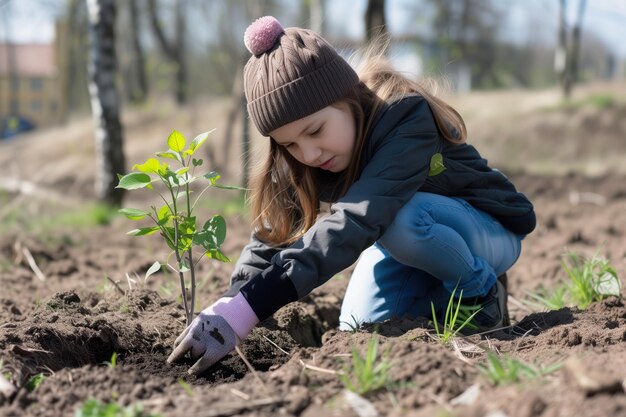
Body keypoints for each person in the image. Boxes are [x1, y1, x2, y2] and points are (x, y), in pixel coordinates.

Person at [167, 16, 535, 375]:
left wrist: (253, 306)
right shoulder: (309, 158)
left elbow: (357, 219)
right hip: (408, 242)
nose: (308, 153)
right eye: (290, 143)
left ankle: (480, 292)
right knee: (359, 327)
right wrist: (233, 304)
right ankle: (443, 293)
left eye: (315, 130)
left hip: (487, 229)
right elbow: (271, 239)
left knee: (404, 221)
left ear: (348, 98)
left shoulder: (405, 118)